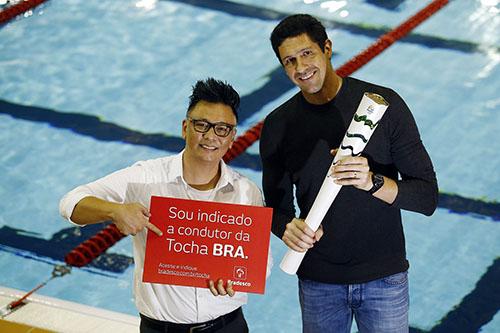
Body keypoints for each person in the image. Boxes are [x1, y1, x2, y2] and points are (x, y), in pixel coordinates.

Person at [260, 14, 438, 333]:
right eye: (289, 61)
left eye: (307, 54)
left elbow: (426, 198)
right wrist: (287, 227)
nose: (300, 68)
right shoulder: (278, 125)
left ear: (327, 48)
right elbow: (274, 206)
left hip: (384, 279)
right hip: (318, 283)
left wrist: (372, 182)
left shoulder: (385, 107)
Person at [60, 78, 272, 333]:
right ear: (185, 128)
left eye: (221, 129)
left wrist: (236, 278)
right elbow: (70, 203)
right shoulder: (146, 178)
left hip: (228, 326)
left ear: (232, 137)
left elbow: (261, 260)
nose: (210, 136)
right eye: (202, 125)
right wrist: (115, 211)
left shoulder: (246, 192)